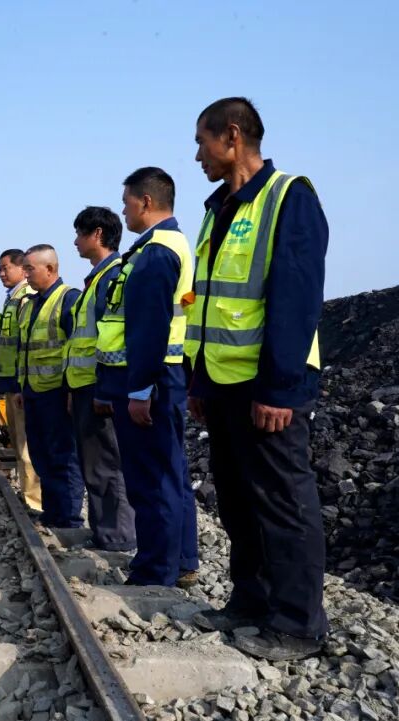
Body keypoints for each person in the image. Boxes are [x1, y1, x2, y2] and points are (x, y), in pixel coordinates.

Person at [186, 97, 328, 661]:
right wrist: (199, 383)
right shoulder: (217, 208)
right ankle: (251, 599)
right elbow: (205, 304)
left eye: (202, 142)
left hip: (266, 384)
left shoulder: (289, 197)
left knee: (283, 501)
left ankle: (297, 625)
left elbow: (295, 300)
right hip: (222, 383)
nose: (198, 155)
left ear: (233, 136)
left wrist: (279, 389)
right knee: (239, 498)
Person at [95, 167, 198, 588]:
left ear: (146, 202)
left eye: (127, 202)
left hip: (150, 378)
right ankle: (181, 560)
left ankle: (156, 571)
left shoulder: (156, 252)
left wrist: (140, 390)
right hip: (162, 376)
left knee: (151, 479)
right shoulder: (165, 245)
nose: (124, 211)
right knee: (170, 473)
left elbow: (149, 327)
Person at [65, 207, 135, 551]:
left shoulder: (111, 277)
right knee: (94, 464)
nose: (75, 241)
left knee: (106, 463)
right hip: (85, 387)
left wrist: (105, 391)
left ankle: (117, 537)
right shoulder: (96, 279)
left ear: (97, 234)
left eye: (80, 233)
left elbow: (113, 341)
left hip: (99, 388)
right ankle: (104, 531)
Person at [15, 245, 84, 528]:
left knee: (62, 456)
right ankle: (53, 512)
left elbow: (75, 347)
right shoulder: (30, 304)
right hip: (34, 392)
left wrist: (71, 390)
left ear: (50, 269)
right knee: (41, 455)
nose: (26, 274)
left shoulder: (68, 299)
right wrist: (22, 388)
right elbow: (25, 350)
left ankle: (68, 518)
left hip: (57, 393)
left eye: (30, 269)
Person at [0, 248, 42, 512]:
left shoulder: (26, 297)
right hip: (10, 380)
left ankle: (35, 503)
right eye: (0, 269)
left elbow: (25, 343)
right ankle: (28, 496)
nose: (2, 273)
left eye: (6, 268)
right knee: (18, 443)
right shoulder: (12, 299)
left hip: (20, 382)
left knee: (27, 446)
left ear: (22, 269)